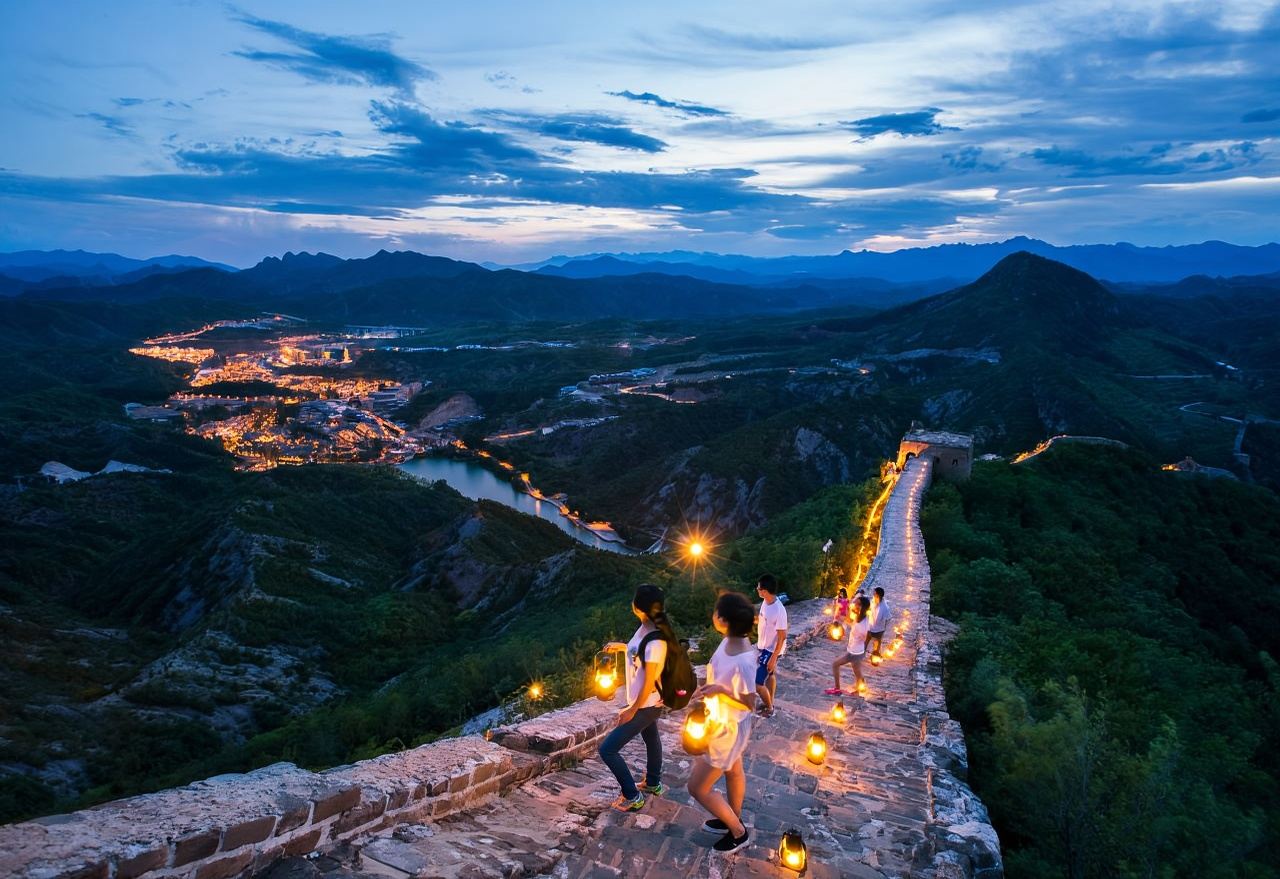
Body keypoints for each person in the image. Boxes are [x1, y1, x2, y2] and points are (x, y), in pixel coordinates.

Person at [688, 591, 758, 853]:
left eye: (717, 612)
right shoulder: (730, 641)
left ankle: (739, 833)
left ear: (725, 620)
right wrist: (706, 688)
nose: (713, 615)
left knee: (697, 787)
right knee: (734, 771)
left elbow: (750, 703)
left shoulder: (745, 660)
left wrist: (721, 691)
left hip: (728, 728)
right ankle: (732, 817)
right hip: (721, 720)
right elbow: (718, 673)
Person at [598, 583, 672, 812]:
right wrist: (621, 648)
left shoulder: (656, 640)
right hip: (646, 704)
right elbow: (637, 653)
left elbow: (650, 679)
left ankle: (632, 795)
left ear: (638, 607)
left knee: (607, 750)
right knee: (652, 739)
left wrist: (632, 709)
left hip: (646, 705)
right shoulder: (646, 628)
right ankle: (653, 783)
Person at [754, 574, 788, 718]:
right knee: (771, 675)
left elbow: (782, 636)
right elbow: (762, 621)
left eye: (759, 587)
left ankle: (769, 708)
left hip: (771, 649)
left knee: (757, 682)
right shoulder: (766, 602)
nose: (757, 589)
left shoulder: (779, 610)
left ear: (765, 590)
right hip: (763, 646)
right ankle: (771, 701)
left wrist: (773, 658)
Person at [827, 595, 869, 696]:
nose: (856, 605)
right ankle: (860, 689)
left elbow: (866, 637)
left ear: (864, 606)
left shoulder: (865, 623)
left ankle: (840, 689)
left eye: (859, 604)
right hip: (853, 650)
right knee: (857, 671)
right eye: (857, 603)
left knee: (836, 665)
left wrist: (863, 648)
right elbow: (849, 620)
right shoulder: (858, 617)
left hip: (856, 652)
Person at [865, 586, 891, 659]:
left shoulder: (885, 607)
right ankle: (860, 655)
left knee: (876, 646)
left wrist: (883, 628)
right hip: (869, 627)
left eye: (874, 593)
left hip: (879, 630)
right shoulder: (872, 601)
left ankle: (875, 658)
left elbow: (888, 618)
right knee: (865, 642)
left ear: (877, 595)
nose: (873, 595)